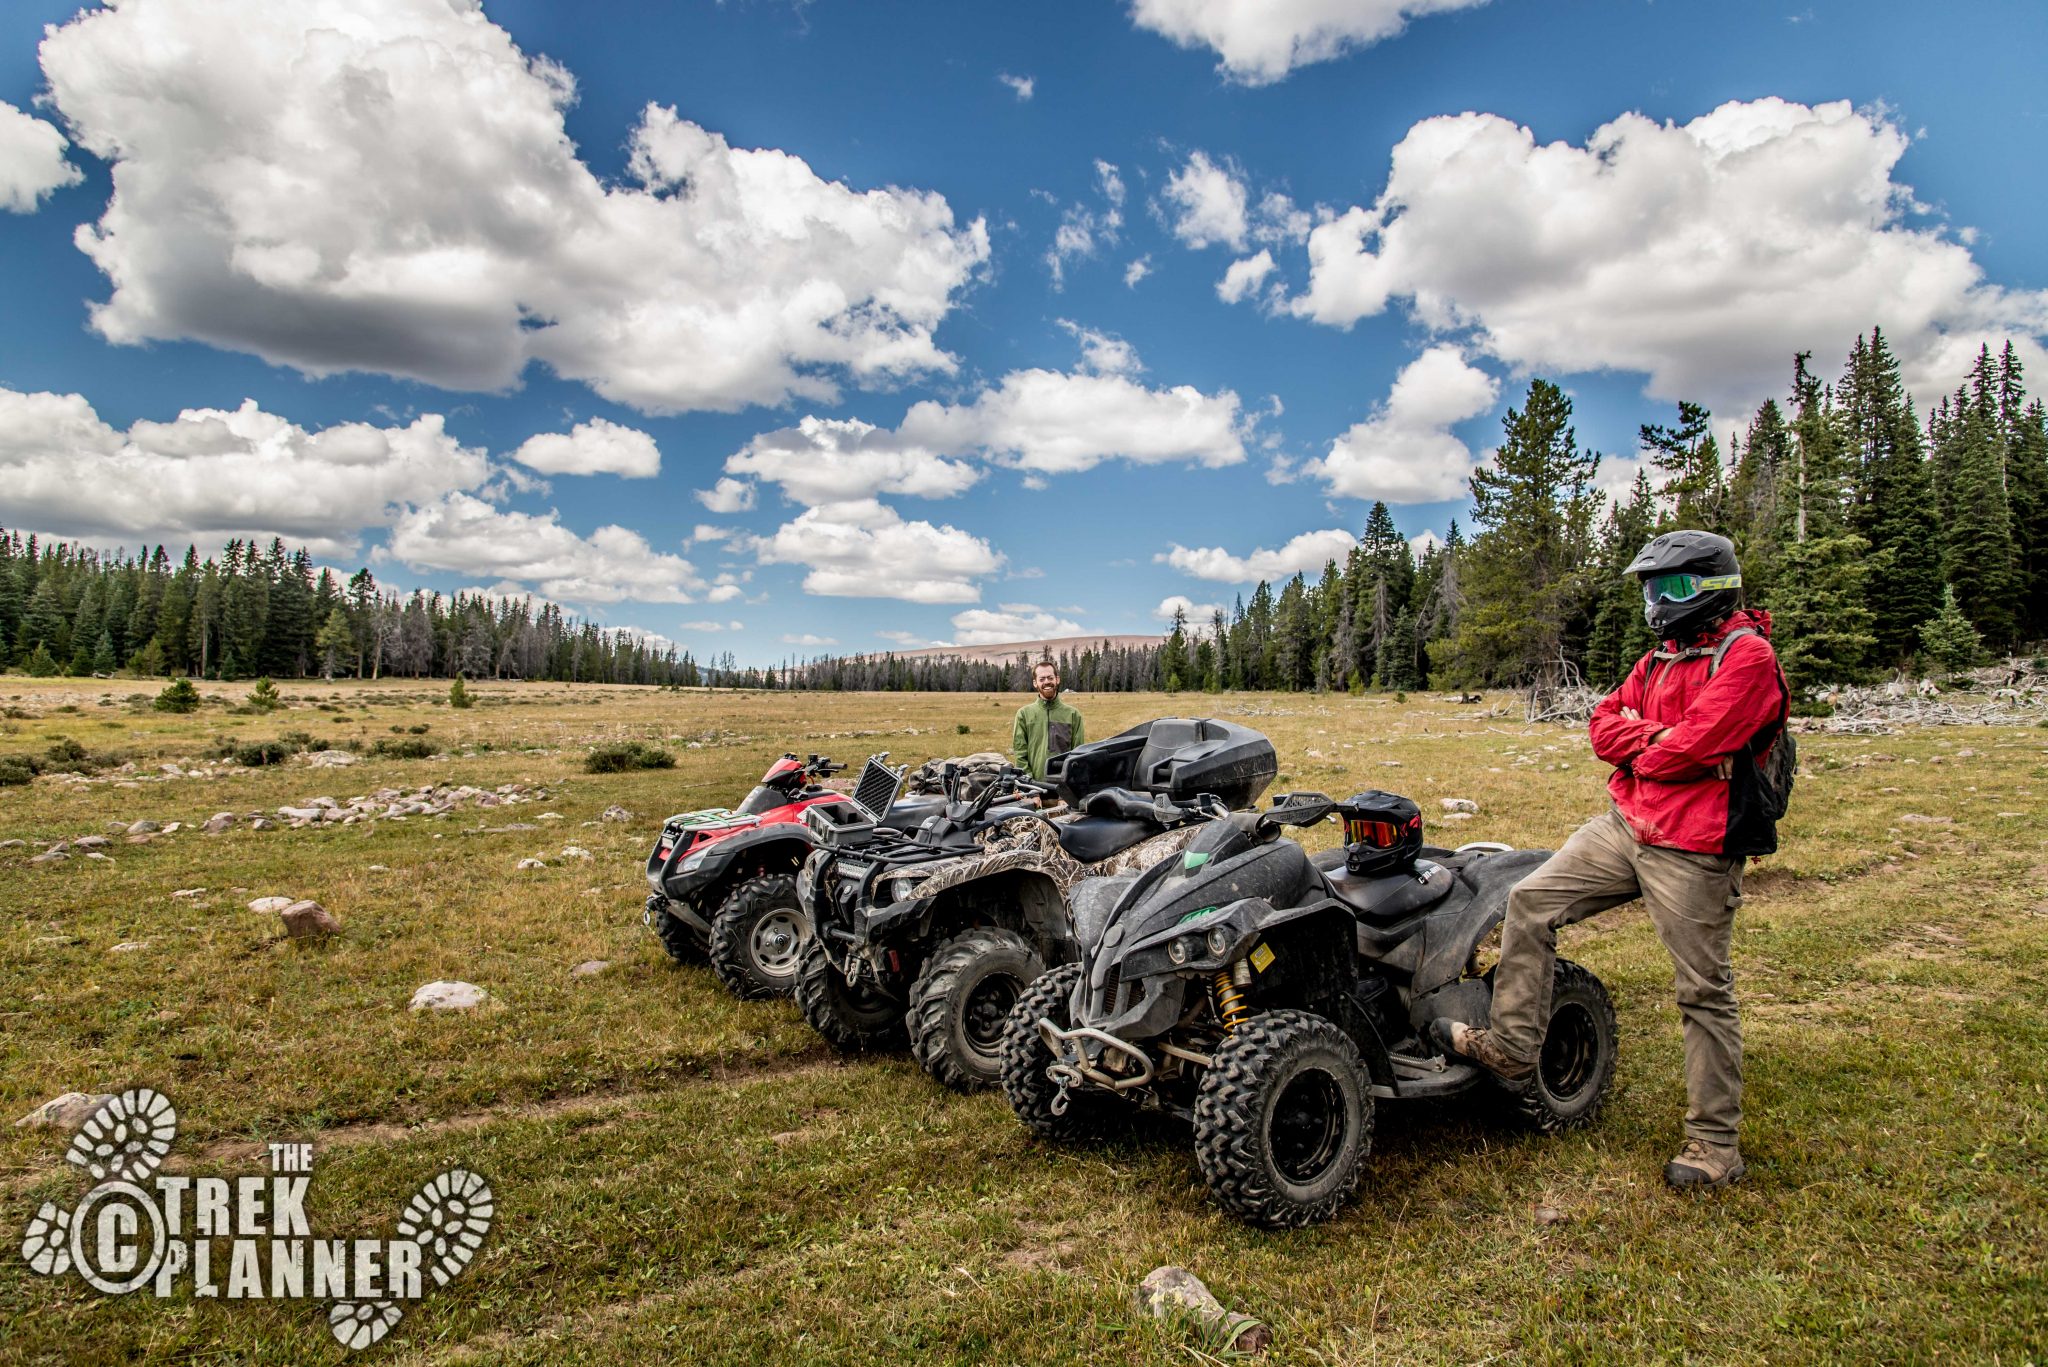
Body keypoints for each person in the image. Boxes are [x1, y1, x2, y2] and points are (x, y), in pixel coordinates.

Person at [1434, 530, 1789, 1190]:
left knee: (1703, 989)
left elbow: (1690, 747)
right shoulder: (1660, 658)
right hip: (1627, 824)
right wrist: (1653, 741)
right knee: (1529, 902)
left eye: (1673, 586)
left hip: (1696, 844)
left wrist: (1649, 743)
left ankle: (1715, 1143)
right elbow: (1606, 727)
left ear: (1714, 587)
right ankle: (1511, 1050)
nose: (1659, 601)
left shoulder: (1748, 659)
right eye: (1652, 588)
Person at [1010, 659, 1084, 781]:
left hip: (1064, 792)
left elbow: (1078, 757)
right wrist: (1030, 789)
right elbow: (1020, 755)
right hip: (1034, 790)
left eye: (1050, 678)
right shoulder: (1023, 714)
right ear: (1035, 683)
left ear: (1057, 679)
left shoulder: (1073, 715)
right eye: (1042, 679)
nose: (1047, 682)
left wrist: (1066, 794)